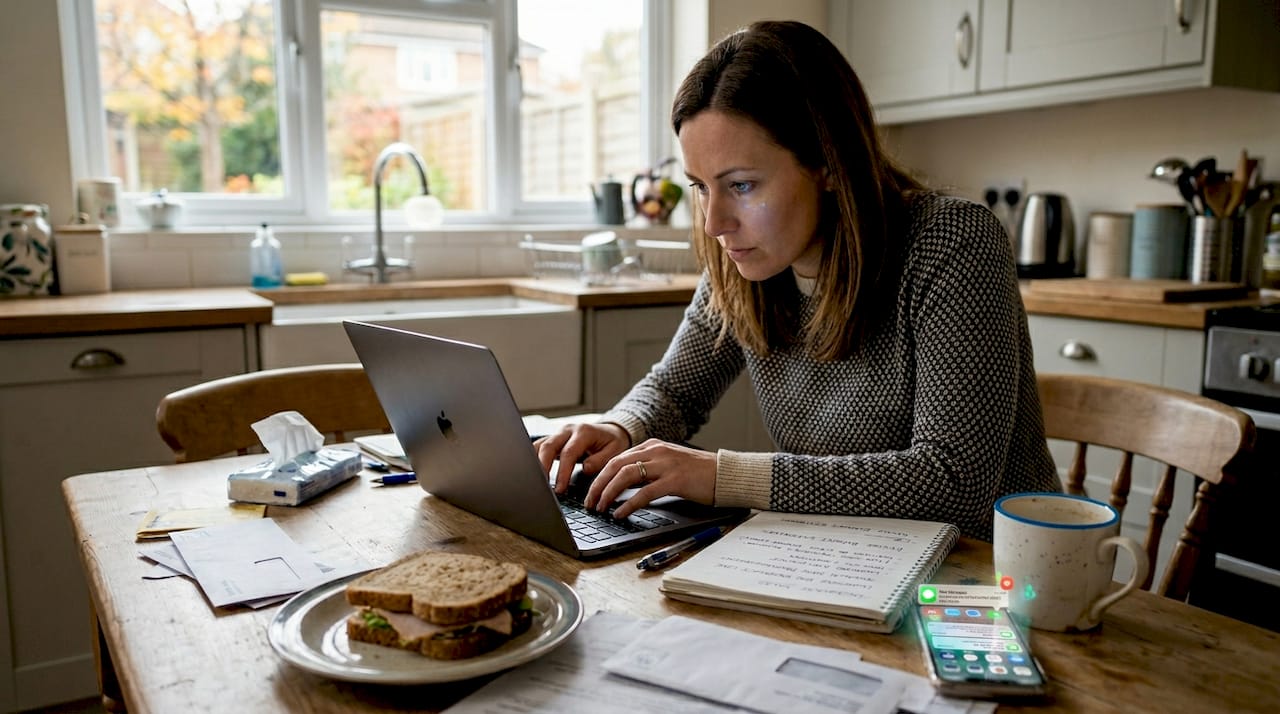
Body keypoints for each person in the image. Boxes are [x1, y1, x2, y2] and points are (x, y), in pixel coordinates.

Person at [535, 20, 1060, 541]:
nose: (715, 223)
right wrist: (619, 427)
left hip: (989, 575)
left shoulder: (952, 243)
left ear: (827, 163)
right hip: (839, 554)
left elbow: (955, 483)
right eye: (701, 187)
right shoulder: (744, 261)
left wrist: (722, 476)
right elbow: (673, 392)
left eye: (741, 185)